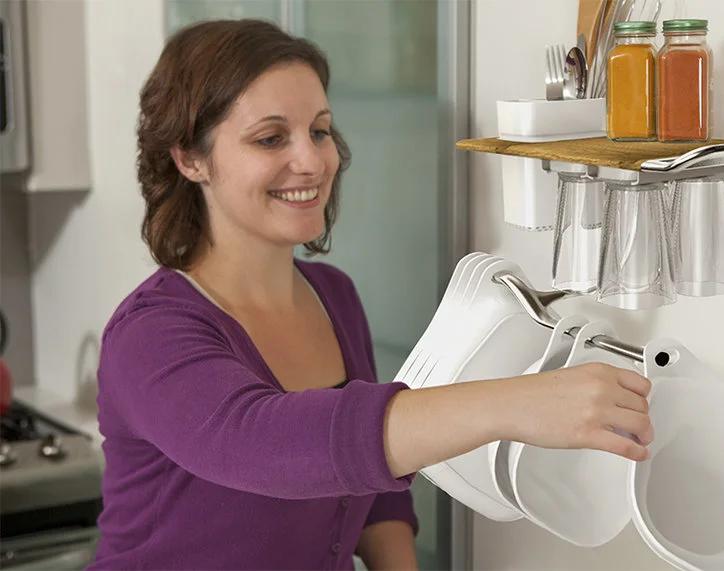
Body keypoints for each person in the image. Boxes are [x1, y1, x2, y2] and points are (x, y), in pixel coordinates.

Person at [88, 19, 654, 571]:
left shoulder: (332, 296)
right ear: (190, 158)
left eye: (320, 131)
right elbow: (266, 443)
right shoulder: (151, 333)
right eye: (270, 138)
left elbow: (373, 491)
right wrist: (516, 405)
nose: (312, 160)